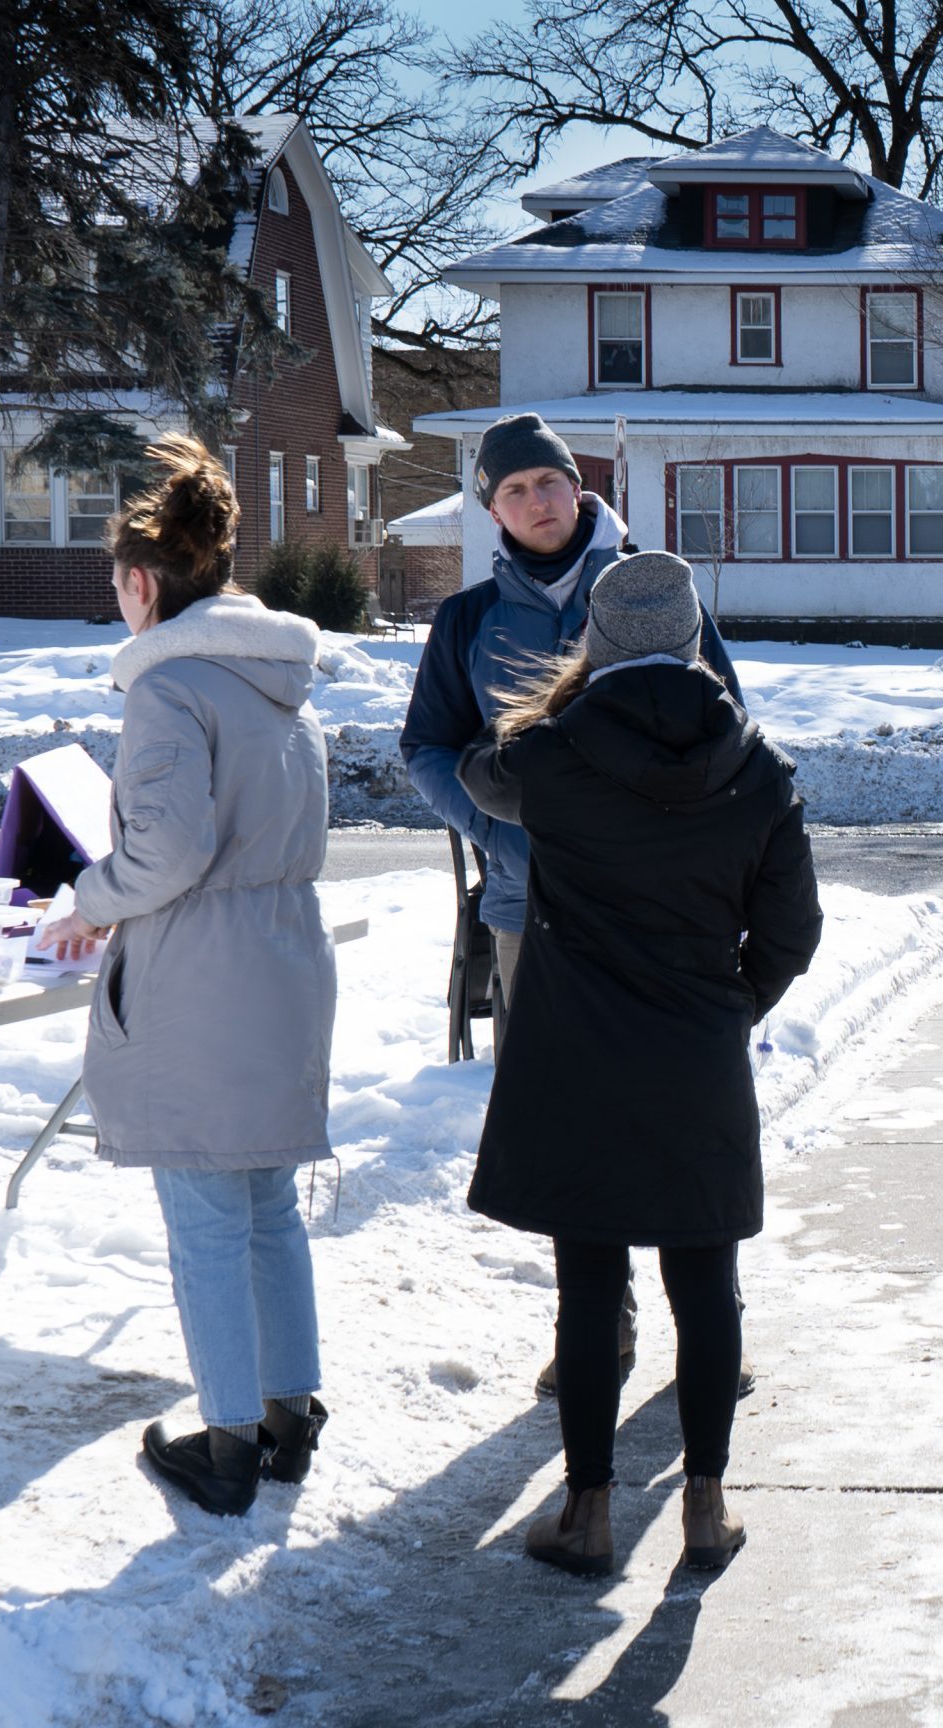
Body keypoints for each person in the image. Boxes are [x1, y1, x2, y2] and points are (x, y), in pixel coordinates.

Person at [457, 552, 823, 1575]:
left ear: (599, 647)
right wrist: (733, 1002)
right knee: (706, 1280)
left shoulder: (555, 762)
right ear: (697, 637)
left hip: (578, 1062)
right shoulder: (760, 771)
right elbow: (793, 930)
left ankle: (587, 1514)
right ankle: (705, 1506)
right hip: (697, 1058)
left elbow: (484, 773)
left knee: (588, 1287)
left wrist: (566, 700)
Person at [400, 411, 746, 1397]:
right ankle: (600, 1324)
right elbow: (427, 748)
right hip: (530, 908)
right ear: (491, 507)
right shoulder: (468, 621)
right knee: (567, 1126)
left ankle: (710, 1321)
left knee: (681, 1110)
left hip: (662, 912)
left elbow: (726, 726)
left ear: (577, 483)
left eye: (547, 482)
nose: (535, 502)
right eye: (512, 491)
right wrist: (503, 829)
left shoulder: (649, 587)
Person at [37, 436, 334, 1517]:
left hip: (203, 981)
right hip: (283, 969)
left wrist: (88, 901)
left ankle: (227, 1445)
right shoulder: (276, 686)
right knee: (264, 1208)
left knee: (206, 1220)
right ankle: (290, 1413)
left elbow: (166, 853)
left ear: (137, 582)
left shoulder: (168, 692)